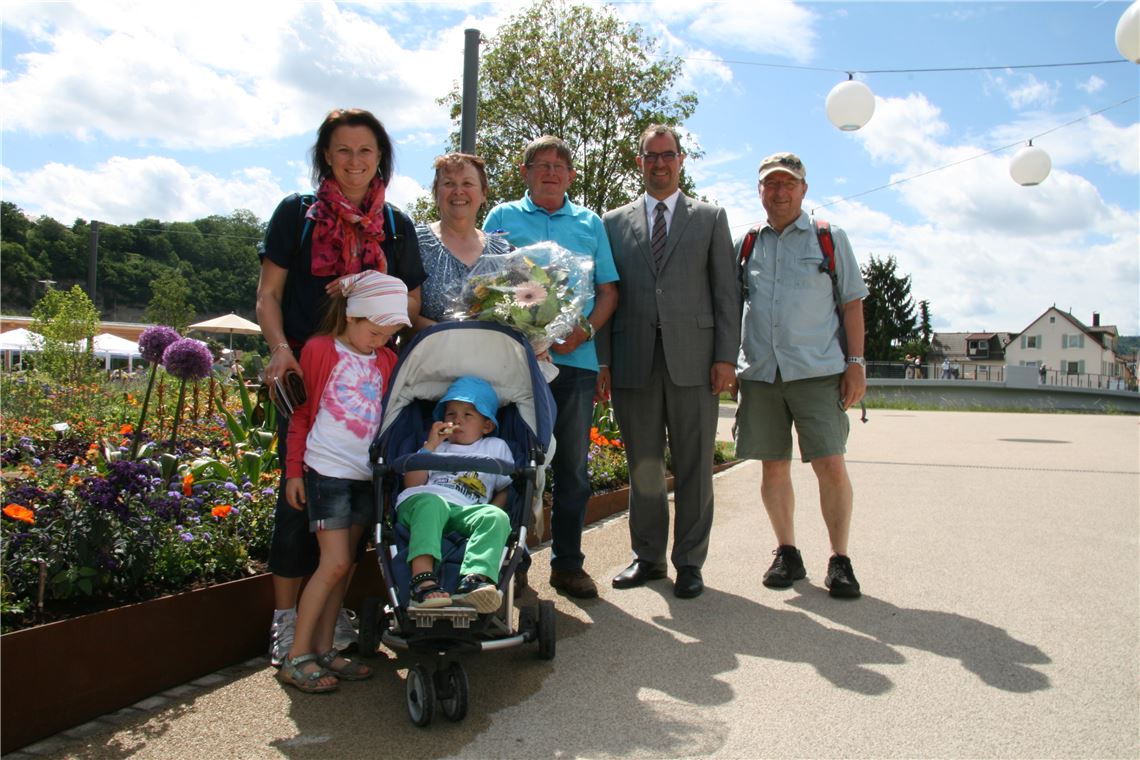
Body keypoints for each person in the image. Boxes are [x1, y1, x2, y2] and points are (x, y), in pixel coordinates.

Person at [256, 107, 426, 666]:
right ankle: (288, 623)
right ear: (326, 156)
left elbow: (412, 304)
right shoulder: (296, 214)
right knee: (297, 502)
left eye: (366, 151)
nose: (355, 162)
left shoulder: (396, 225)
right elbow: (269, 295)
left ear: (381, 159)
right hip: (311, 372)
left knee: (357, 507)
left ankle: (330, 620)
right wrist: (281, 348)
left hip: (366, 385)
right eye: (344, 150)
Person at [598, 125, 740, 600]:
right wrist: (602, 361)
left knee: (695, 465)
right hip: (632, 359)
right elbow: (604, 293)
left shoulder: (710, 218)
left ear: (681, 160)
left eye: (668, 156)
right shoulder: (613, 222)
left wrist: (725, 357)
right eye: (650, 156)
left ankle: (690, 562)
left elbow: (727, 295)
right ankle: (649, 557)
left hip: (695, 362)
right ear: (639, 161)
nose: (659, 164)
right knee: (644, 464)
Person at [482, 135, 620, 599]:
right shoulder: (502, 216)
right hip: (516, 362)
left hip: (574, 362)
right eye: (540, 164)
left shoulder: (589, 222)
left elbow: (608, 292)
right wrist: (521, 328)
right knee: (514, 461)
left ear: (571, 176)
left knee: (573, 469)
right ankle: (512, 565)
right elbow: (486, 283)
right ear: (524, 172)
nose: (550, 172)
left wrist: (586, 332)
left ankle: (567, 564)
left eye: (559, 165)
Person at [735, 152, 869, 599]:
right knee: (773, 466)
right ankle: (787, 552)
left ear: (803, 190)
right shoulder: (749, 243)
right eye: (770, 184)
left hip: (817, 372)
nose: (779, 191)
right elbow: (734, 306)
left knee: (830, 464)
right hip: (762, 373)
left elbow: (852, 303)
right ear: (760, 191)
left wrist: (856, 364)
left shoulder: (828, 237)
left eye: (787, 183)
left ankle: (840, 559)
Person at [277, 270, 408, 693]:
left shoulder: (386, 359)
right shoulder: (320, 350)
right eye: (374, 331)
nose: (380, 341)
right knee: (331, 563)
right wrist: (294, 470)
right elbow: (301, 413)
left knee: (346, 566)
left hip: (365, 476)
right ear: (351, 317)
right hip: (327, 472)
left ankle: (326, 648)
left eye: (388, 334)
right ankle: (297, 656)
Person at [396, 376, 514, 614]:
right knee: (432, 503)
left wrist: (494, 509)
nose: (457, 420)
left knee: (496, 517)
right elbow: (412, 484)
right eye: (451, 414)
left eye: (467, 415)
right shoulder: (436, 446)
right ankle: (422, 581)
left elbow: (505, 488)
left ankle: (474, 581)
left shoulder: (495, 447)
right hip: (424, 502)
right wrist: (430, 445)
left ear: (486, 425)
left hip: (466, 510)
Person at [411, 153, 513, 332]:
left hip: (493, 357)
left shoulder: (504, 251)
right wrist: (453, 338)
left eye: (467, 183)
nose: (458, 191)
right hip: (429, 355)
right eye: (449, 183)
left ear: (483, 194)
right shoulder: (414, 242)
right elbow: (403, 313)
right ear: (436, 192)